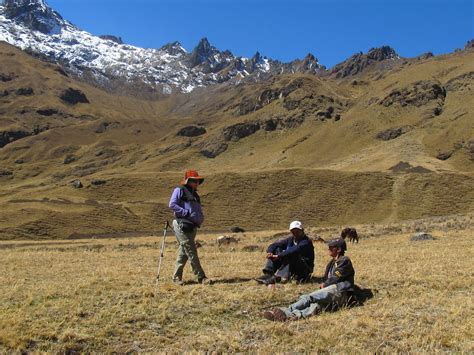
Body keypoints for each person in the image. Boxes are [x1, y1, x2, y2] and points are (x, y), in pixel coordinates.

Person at [263, 238, 355, 321]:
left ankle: (287, 310)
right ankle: (290, 316)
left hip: (340, 291)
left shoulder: (344, 261)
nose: (328, 248)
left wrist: (325, 284)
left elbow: (336, 277)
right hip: (335, 293)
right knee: (316, 306)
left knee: (309, 297)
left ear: (338, 249)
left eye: (331, 247)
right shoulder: (331, 263)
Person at [168, 169, 210, 285]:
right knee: (191, 250)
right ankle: (201, 277)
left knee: (184, 252)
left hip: (192, 226)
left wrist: (199, 218)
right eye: (194, 180)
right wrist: (185, 212)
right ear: (188, 181)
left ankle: (176, 278)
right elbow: (172, 204)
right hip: (182, 224)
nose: (196, 183)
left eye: (198, 181)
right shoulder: (179, 190)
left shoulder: (195, 195)